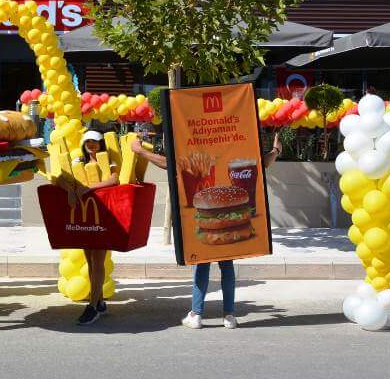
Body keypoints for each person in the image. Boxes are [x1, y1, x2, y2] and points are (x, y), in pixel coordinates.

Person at [132, 129, 282, 330]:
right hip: (221, 220)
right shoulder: (232, 147)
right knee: (225, 267)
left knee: (201, 267)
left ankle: (196, 314)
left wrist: (140, 152)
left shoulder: (196, 147)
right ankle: (229, 316)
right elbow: (261, 162)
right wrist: (275, 151)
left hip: (204, 216)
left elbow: (169, 164)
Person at [58, 130, 118, 325]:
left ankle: (92, 306)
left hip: (103, 217)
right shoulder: (78, 162)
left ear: (101, 144)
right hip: (84, 217)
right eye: (88, 142)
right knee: (90, 261)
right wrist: (70, 191)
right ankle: (99, 300)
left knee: (98, 261)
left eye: (96, 142)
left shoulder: (108, 161)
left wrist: (90, 188)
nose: (92, 145)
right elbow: (59, 177)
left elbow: (114, 179)